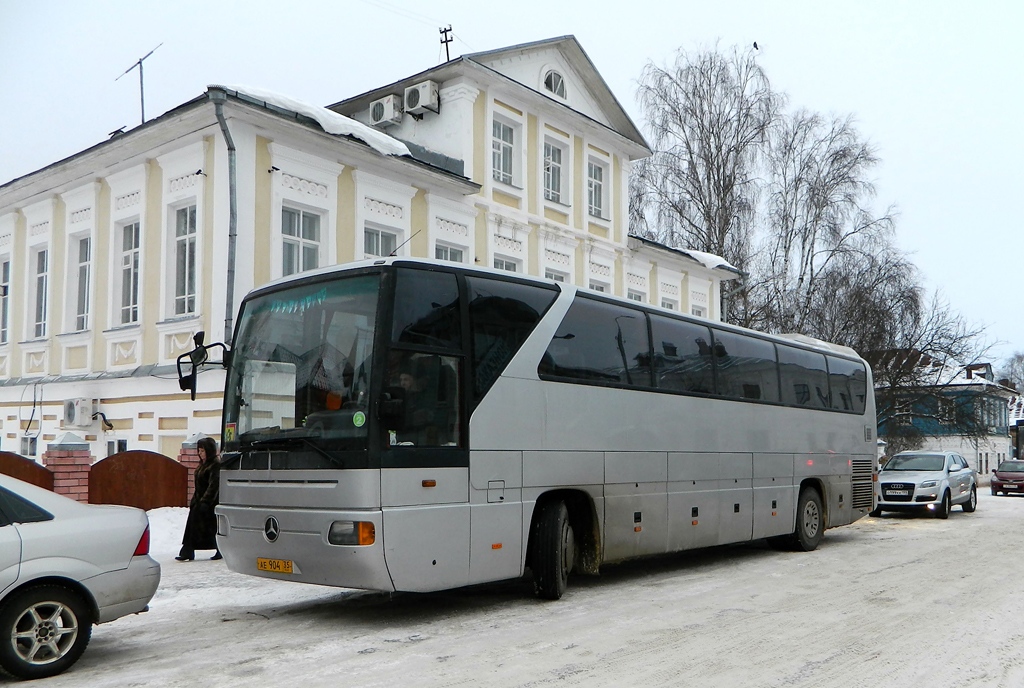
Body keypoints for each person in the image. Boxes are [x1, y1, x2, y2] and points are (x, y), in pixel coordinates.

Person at [176, 436, 222, 561]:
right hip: (199, 502)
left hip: (210, 504)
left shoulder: (215, 465)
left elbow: (214, 485)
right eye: (199, 450)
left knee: (212, 529)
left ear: (209, 450)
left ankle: (219, 549)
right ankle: (187, 551)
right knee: (192, 528)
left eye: (202, 450)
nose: (200, 453)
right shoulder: (203, 465)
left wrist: (206, 501)